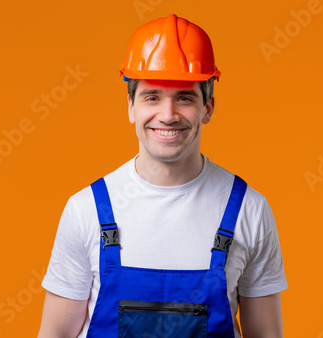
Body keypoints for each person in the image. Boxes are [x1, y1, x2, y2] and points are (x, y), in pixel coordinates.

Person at [38, 14, 287, 338]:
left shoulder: (248, 211)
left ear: (208, 107)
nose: (168, 116)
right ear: (130, 106)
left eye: (184, 97)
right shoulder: (86, 210)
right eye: (152, 96)